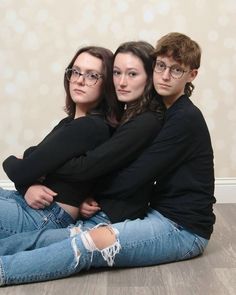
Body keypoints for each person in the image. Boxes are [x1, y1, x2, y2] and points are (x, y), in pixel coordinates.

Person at [0, 32, 216, 286]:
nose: (166, 76)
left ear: (192, 75)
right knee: (57, 238)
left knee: (88, 244)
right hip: (155, 212)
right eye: (161, 66)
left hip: (182, 228)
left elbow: (134, 177)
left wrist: (51, 171)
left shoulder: (181, 118)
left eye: (176, 70)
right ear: (154, 66)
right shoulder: (153, 111)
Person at [0, 41, 163, 244]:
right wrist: (28, 186)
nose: (79, 81)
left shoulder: (90, 127)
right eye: (75, 72)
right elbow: (31, 164)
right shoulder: (69, 123)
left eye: (92, 75)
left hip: (44, 216)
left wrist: (13, 161)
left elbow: (24, 167)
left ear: (106, 85)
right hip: (29, 204)